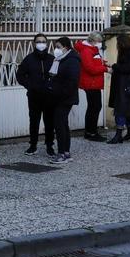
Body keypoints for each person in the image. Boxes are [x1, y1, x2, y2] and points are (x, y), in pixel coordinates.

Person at [15, 33, 55, 156]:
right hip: (34, 96)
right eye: (38, 41)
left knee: (49, 122)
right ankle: (33, 145)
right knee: (34, 121)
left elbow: (58, 75)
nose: (41, 44)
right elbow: (20, 75)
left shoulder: (52, 59)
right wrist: (30, 85)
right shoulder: (29, 59)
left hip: (49, 96)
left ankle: (50, 145)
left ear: (47, 43)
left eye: (43, 41)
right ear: (34, 43)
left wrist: (52, 86)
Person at [45, 36, 81, 164]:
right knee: (62, 124)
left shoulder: (71, 60)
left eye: (58, 47)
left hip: (64, 98)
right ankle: (65, 152)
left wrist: (59, 93)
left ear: (65, 47)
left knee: (60, 125)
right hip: (60, 97)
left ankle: (62, 153)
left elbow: (71, 81)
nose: (56, 50)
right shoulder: (62, 59)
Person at [107, 34, 130, 144]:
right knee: (128, 110)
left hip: (126, 86)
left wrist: (114, 66)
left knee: (121, 110)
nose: (117, 46)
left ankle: (119, 135)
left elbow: (128, 68)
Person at [75, 32, 109, 142]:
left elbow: (94, 62)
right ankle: (91, 132)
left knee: (94, 107)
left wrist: (103, 63)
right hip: (91, 83)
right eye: (99, 42)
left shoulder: (92, 50)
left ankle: (91, 131)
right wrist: (105, 69)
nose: (100, 44)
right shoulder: (86, 50)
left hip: (94, 83)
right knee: (94, 107)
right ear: (93, 41)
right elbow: (90, 68)